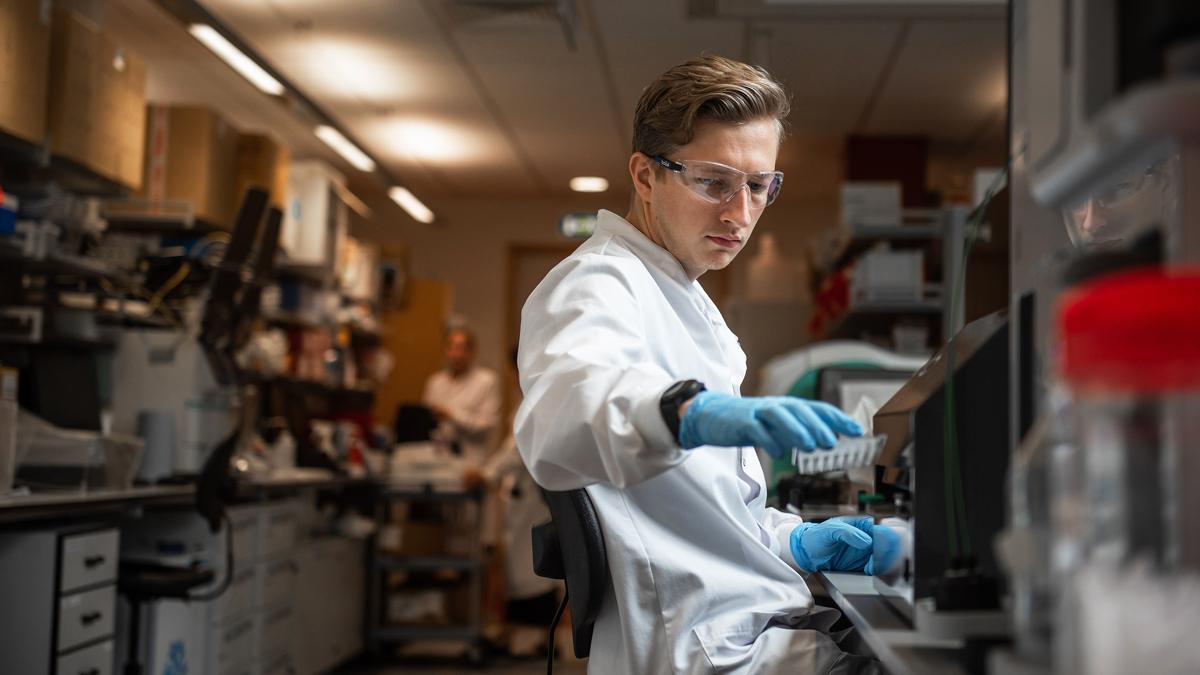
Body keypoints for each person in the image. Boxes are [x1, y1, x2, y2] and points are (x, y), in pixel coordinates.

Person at [514, 56, 896, 674]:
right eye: (714, 182)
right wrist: (691, 413)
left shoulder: (681, 295)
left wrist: (792, 539)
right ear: (645, 176)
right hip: (698, 650)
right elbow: (563, 421)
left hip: (737, 626)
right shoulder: (597, 285)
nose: (739, 214)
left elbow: (709, 522)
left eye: (758, 185)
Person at [422, 325, 502, 466]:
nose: (456, 354)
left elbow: (487, 425)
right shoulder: (435, 382)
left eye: (461, 348)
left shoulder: (486, 381)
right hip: (438, 459)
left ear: (472, 352)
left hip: (471, 461)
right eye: (451, 348)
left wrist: (452, 416)